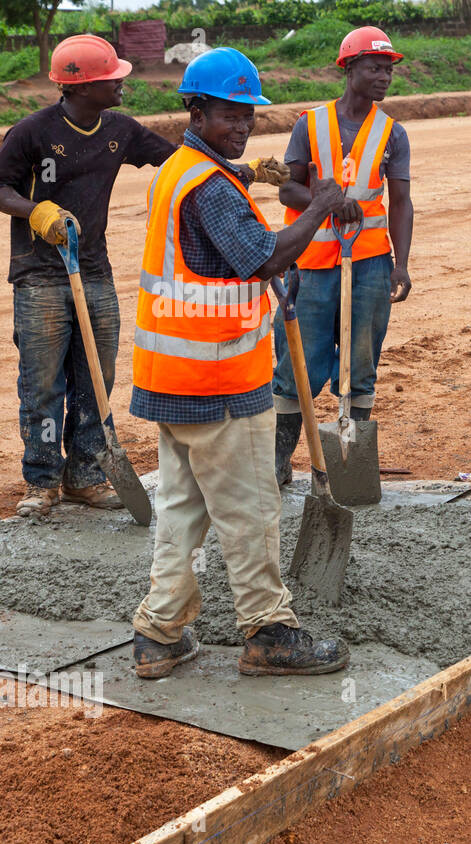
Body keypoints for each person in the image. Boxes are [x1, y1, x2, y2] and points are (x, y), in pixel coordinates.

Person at [130, 48, 349, 679]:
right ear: (196, 110)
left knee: (182, 508)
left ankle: (159, 633)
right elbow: (263, 257)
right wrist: (319, 206)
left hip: (170, 383)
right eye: (230, 114)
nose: (243, 125)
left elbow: (221, 259)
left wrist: (250, 173)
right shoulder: (210, 188)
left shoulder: (180, 170)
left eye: (248, 115)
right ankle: (269, 631)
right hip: (219, 381)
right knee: (252, 509)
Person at [0, 35, 286, 519]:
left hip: (93, 268)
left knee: (96, 374)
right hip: (39, 275)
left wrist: (245, 171)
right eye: (112, 78)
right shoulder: (31, 132)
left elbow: (186, 161)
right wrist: (35, 212)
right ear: (81, 86)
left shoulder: (121, 130)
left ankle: (86, 474)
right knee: (43, 381)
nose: (122, 84)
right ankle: (42, 480)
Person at [272, 26, 414, 484]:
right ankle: (279, 461)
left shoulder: (393, 133)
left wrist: (402, 264)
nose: (384, 77)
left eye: (388, 70)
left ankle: (351, 466)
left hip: (371, 262)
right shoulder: (309, 124)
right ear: (348, 69)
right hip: (311, 265)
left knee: (361, 364)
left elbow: (400, 202)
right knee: (300, 363)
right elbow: (286, 188)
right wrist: (324, 199)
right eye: (374, 68)